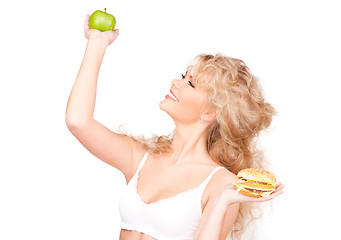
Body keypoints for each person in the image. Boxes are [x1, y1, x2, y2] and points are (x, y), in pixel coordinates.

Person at [65, 14, 284, 240]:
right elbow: (78, 121)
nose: (175, 83)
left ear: (211, 112)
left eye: (190, 83)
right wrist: (97, 43)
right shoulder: (140, 157)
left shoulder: (221, 184)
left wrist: (222, 202)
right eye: (182, 76)